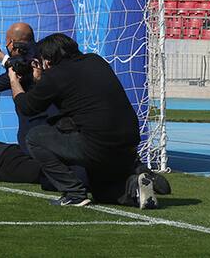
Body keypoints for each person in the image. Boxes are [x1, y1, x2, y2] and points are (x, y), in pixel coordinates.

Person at [10, 33, 151, 207]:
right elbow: (75, 94)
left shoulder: (56, 75)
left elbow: (27, 106)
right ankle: (135, 188)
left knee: (35, 138)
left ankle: (74, 193)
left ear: (47, 59)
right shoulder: (95, 60)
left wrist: (13, 80)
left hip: (98, 146)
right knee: (101, 191)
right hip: (129, 145)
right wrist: (42, 80)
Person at [0, 22, 56, 154]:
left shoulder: (27, 63)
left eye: (7, 44)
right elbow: (18, 64)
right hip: (55, 123)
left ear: (12, 43)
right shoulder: (41, 52)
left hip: (36, 128)